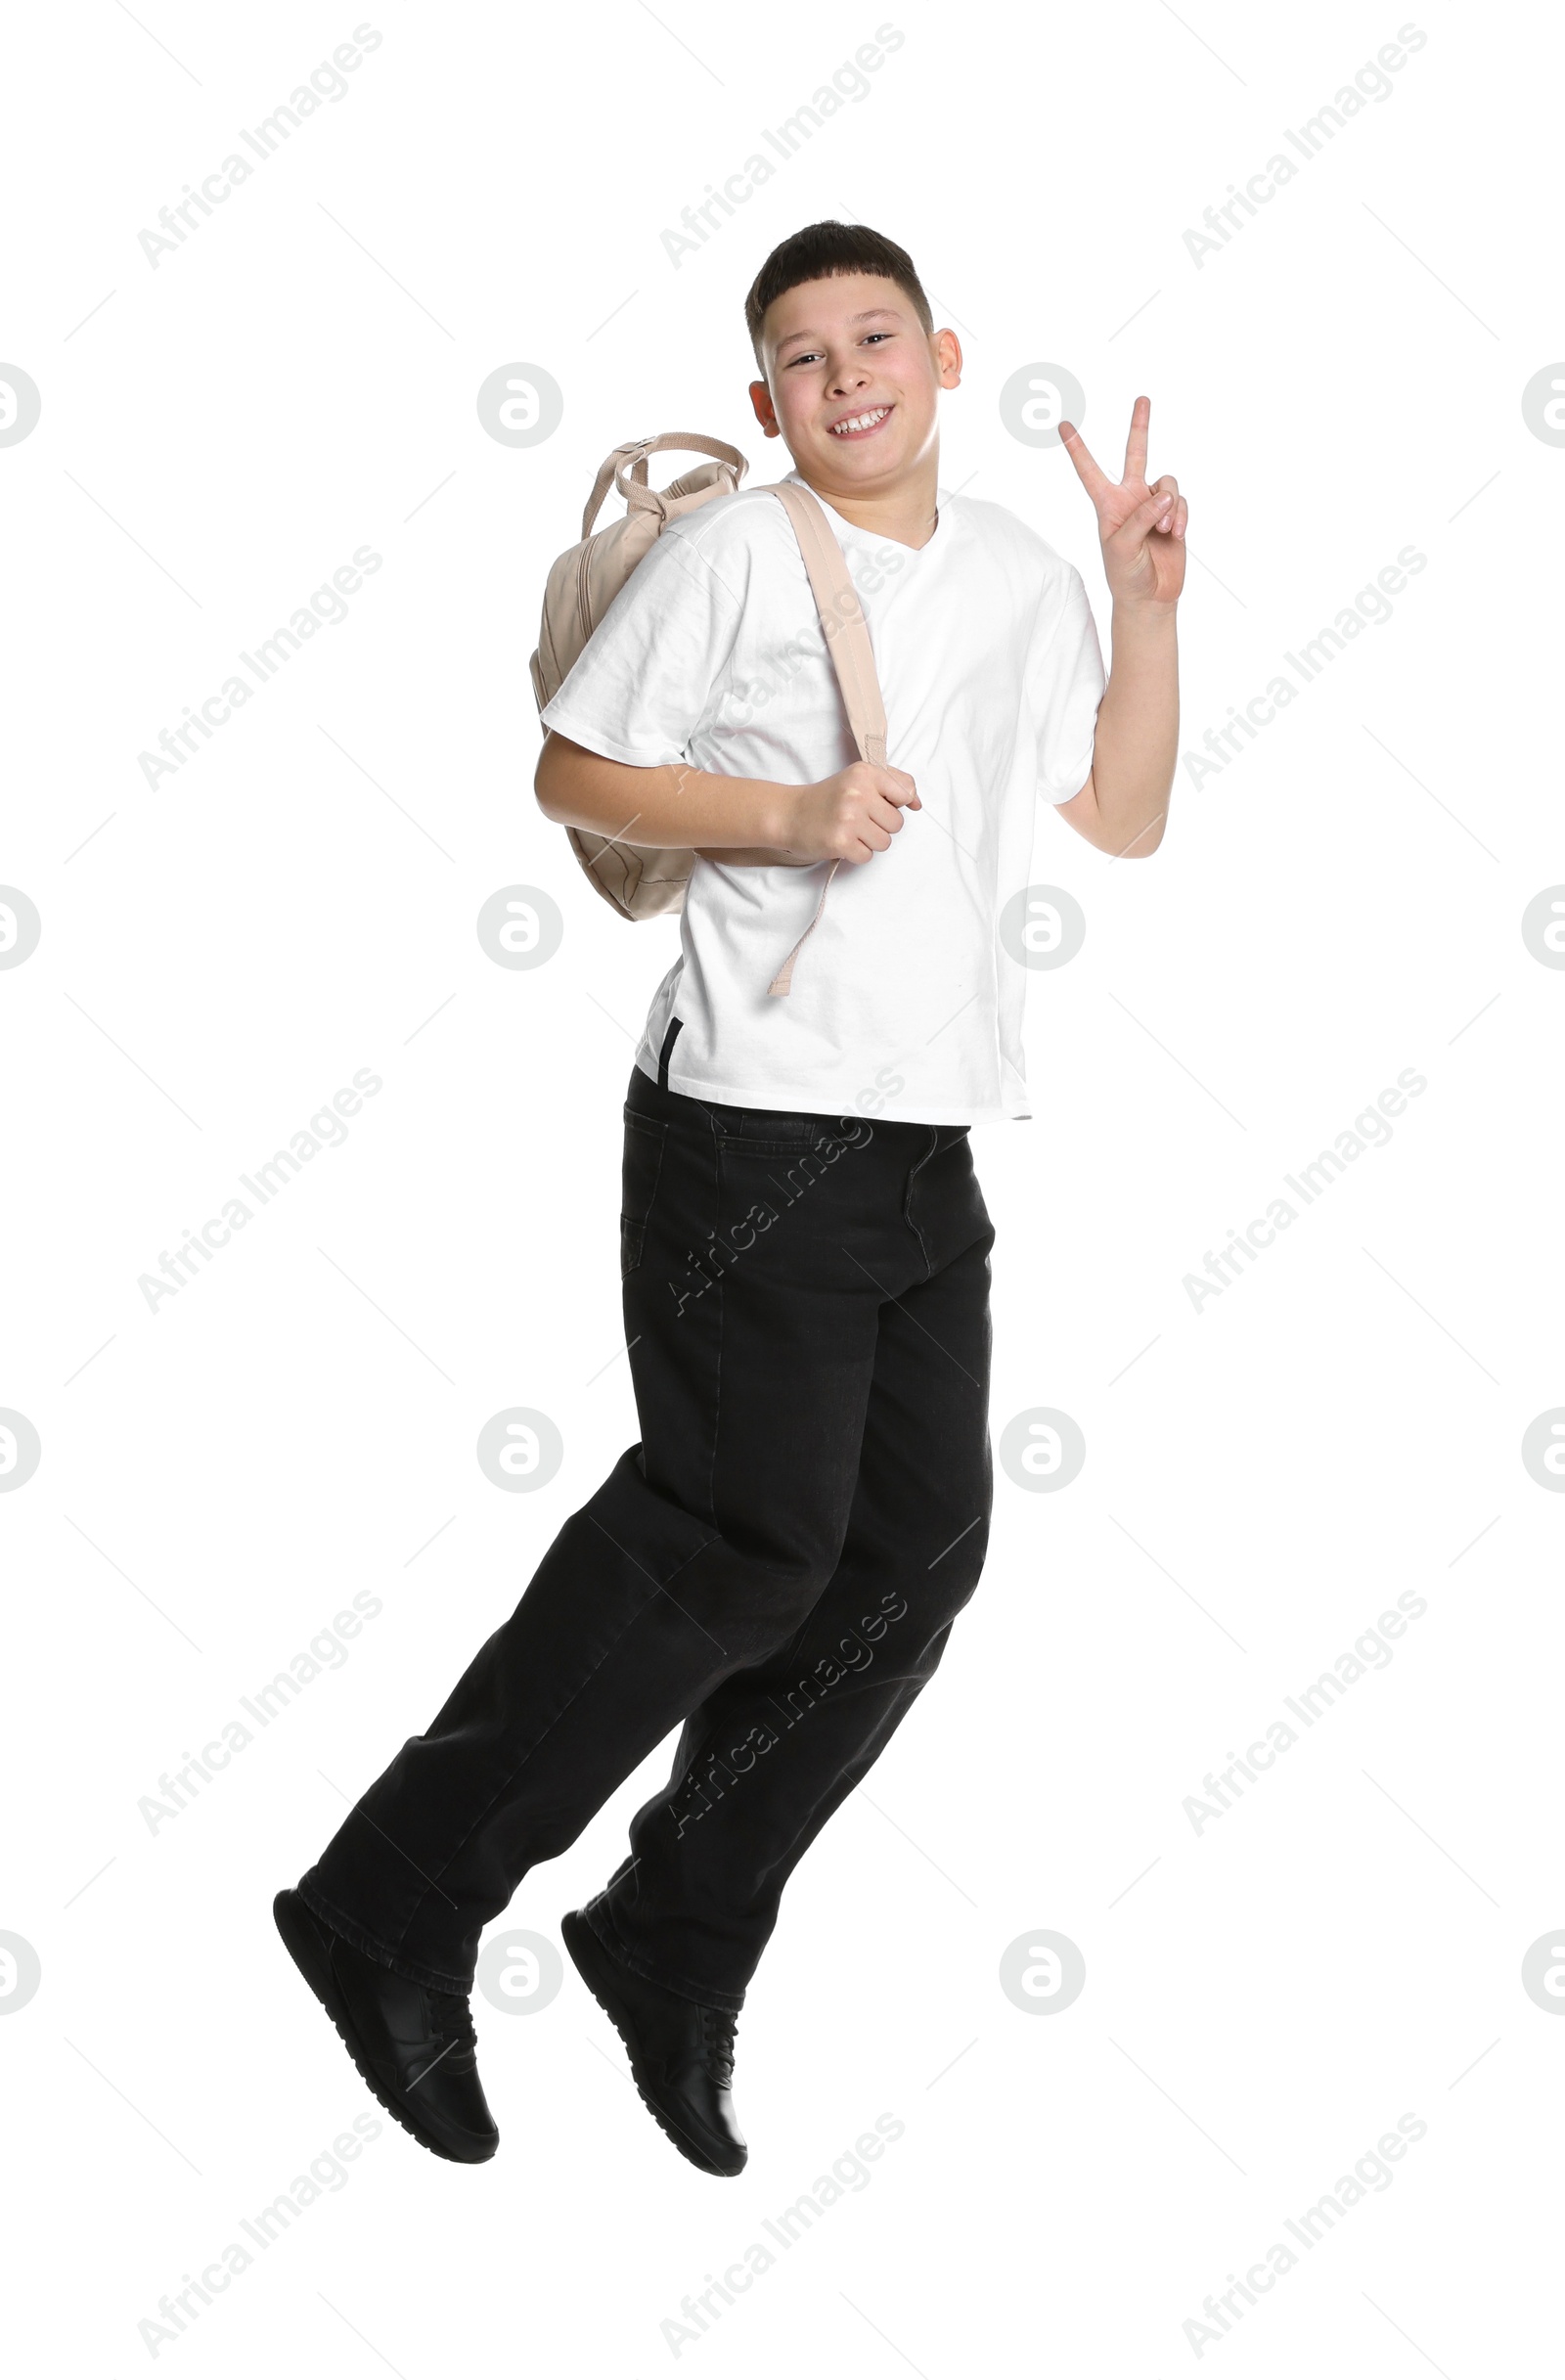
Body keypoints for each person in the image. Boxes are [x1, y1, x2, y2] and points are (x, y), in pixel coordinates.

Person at [274, 219, 1185, 2178]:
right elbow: (571, 771)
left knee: (908, 1553)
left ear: (942, 358)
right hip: (748, 1135)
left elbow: (1117, 810)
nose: (840, 373)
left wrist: (1142, 604)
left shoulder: (1018, 575)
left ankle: (671, 1920)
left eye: (872, 337)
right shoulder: (730, 556)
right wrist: (782, 813)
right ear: (765, 395)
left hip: (924, 1142)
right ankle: (389, 1895)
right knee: (735, 1542)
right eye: (797, 353)